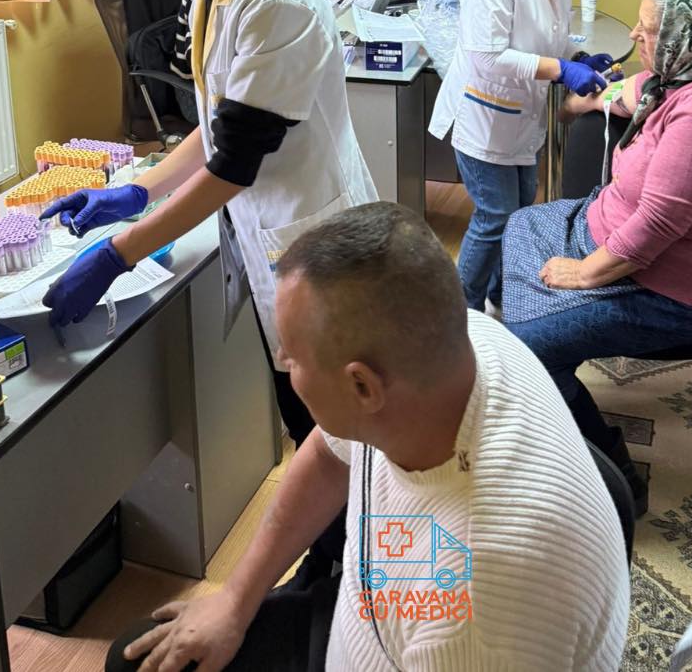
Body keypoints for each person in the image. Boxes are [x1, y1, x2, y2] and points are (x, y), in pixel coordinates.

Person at [106, 203, 630, 672]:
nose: (283, 362)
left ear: (362, 386)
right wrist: (234, 601)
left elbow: (461, 620)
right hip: (372, 610)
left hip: (415, 627)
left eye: (292, 355)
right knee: (140, 655)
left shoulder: (475, 614)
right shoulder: (454, 342)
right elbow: (328, 456)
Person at [42, 0, 376, 464]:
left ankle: (353, 528)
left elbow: (233, 164)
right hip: (271, 227)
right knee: (303, 407)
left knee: (338, 429)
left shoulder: (274, 2)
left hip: (311, 231)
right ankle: (331, 526)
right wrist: (138, 190)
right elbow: (219, 120)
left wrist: (119, 252)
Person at [503, 0, 692, 511]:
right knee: (523, 226)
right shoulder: (683, 77)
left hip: (674, 295)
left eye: (650, 29)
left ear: (686, 37)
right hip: (622, 243)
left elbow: (659, 223)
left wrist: (583, 272)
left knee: (528, 349)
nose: (636, 35)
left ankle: (611, 475)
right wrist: (589, 102)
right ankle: (538, 380)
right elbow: (632, 92)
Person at [429, 0, 610, 314]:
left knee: (520, 212)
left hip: (522, 115)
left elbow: (550, 35)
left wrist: (578, 56)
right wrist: (561, 70)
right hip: (484, 114)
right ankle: (461, 313)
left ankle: (501, 297)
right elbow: (487, 57)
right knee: (495, 217)